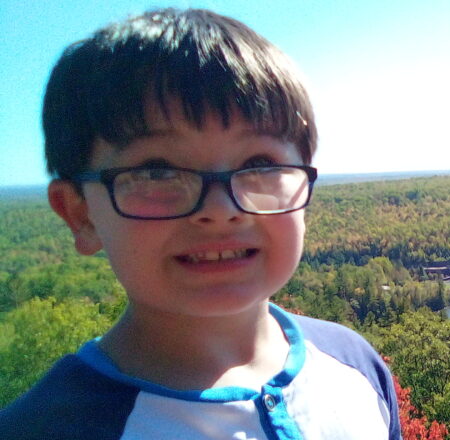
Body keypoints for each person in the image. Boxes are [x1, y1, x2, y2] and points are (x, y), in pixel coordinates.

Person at [0, 8, 401, 439]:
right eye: (157, 171)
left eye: (260, 163)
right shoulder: (44, 428)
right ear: (79, 213)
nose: (220, 208)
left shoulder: (355, 363)